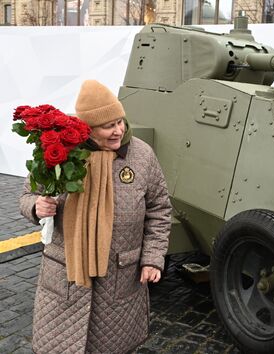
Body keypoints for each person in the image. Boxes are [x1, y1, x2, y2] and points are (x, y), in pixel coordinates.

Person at [20, 80, 172, 353]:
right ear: (87, 128)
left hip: (119, 277)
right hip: (66, 275)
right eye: (108, 126)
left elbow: (159, 210)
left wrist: (152, 258)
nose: (118, 131)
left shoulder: (141, 155)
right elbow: (27, 196)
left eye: (120, 121)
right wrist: (36, 206)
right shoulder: (63, 153)